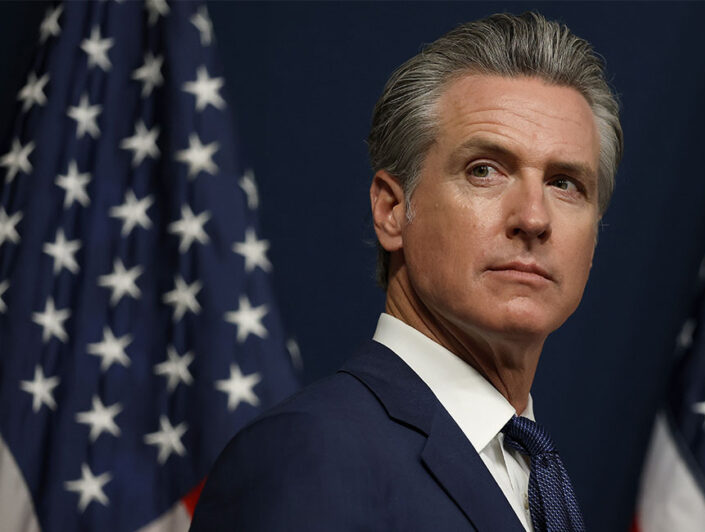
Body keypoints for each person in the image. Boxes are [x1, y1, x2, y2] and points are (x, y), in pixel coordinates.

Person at [190, 12, 622, 532]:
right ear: (393, 211)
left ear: (594, 237)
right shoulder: (309, 454)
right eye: (485, 170)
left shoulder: (534, 473)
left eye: (565, 183)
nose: (533, 217)